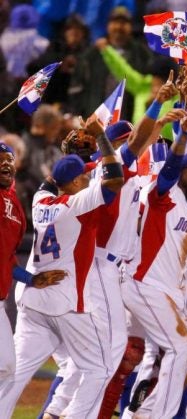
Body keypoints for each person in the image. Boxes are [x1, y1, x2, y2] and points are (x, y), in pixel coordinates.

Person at [0, 115, 125, 418]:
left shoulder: (39, 201)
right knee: (99, 367)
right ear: (73, 183)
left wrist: (73, 154)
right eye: (81, 177)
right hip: (65, 301)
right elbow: (114, 179)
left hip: (32, 301)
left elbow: (52, 181)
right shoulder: (76, 205)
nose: (86, 179)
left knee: (12, 372)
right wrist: (102, 140)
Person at [0, 142, 66, 398]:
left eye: (9, 159)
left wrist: (31, 279)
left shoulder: (15, 205)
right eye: (0, 159)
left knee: (7, 369)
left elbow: (7, 259)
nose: (6, 163)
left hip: (2, 300)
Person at [68, 6, 152, 122]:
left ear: (130, 27)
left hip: (129, 121)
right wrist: (77, 114)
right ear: (108, 26)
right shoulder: (93, 54)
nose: (118, 27)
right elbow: (77, 87)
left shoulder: (142, 54)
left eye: (123, 23)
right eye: (115, 22)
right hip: (95, 119)